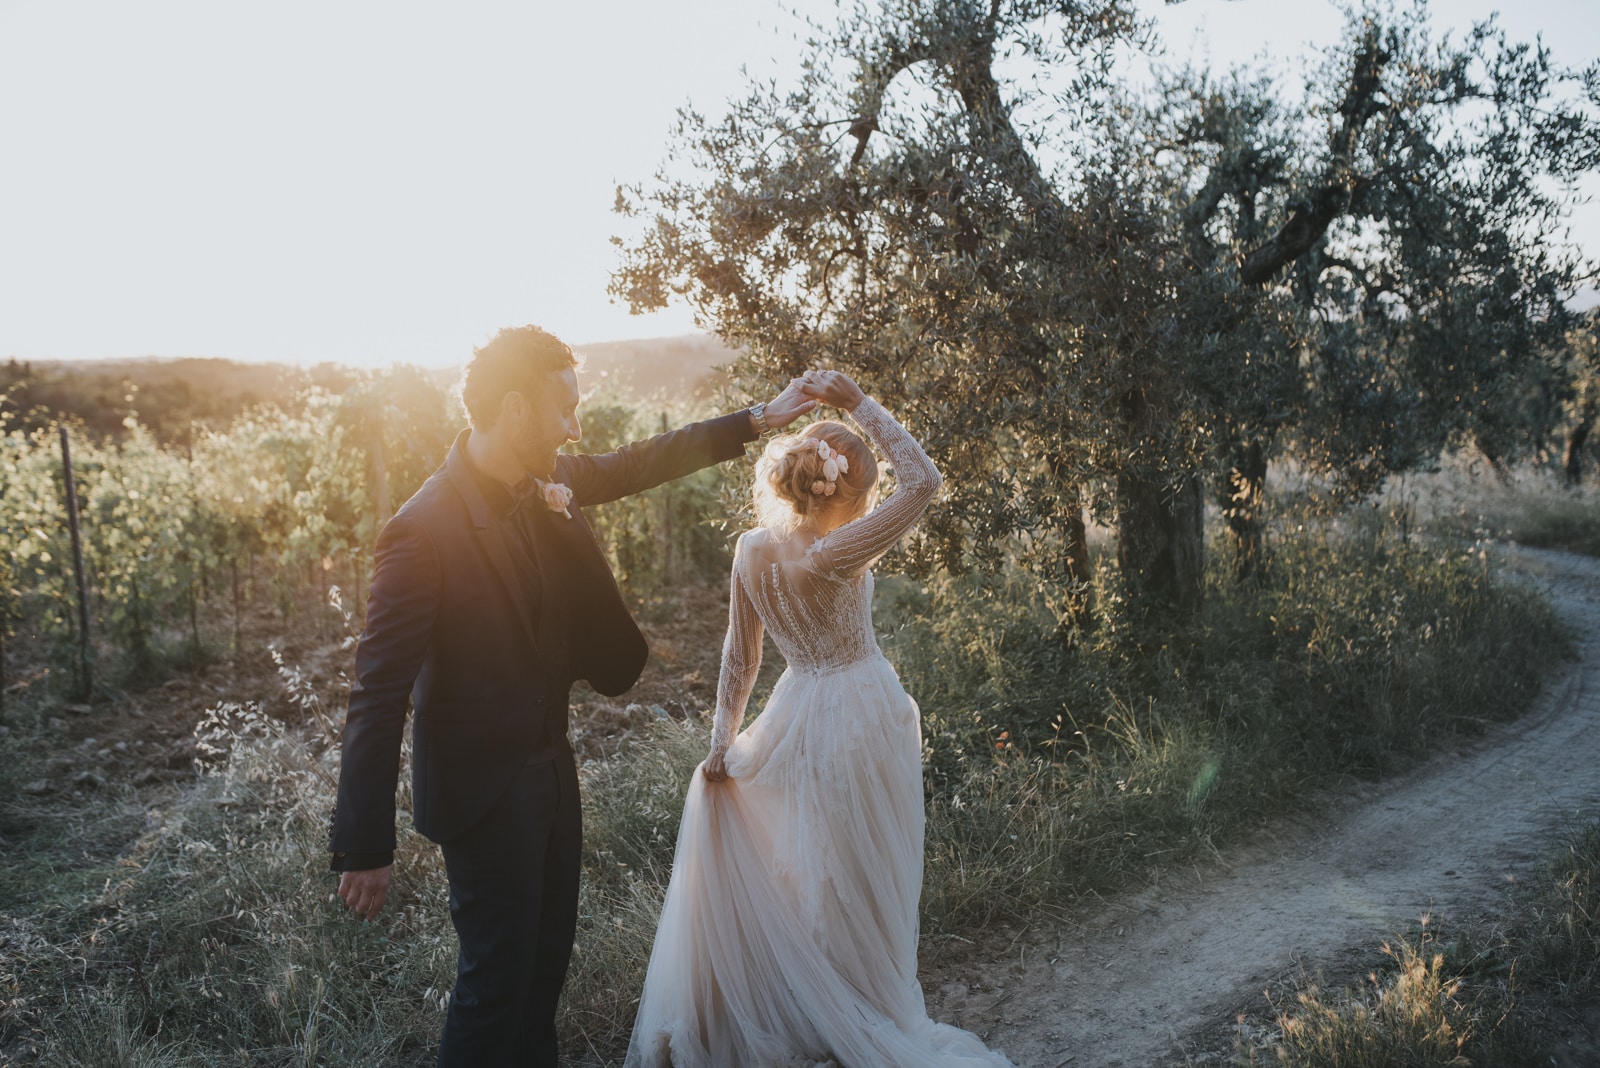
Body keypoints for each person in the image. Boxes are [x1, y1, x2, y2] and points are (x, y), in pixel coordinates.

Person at [327, 324, 818, 1067]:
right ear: (518, 408)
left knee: (544, 971)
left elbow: (641, 462)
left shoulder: (545, 483)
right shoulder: (421, 530)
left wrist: (756, 420)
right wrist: (364, 845)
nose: (576, 427)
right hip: (481, 793)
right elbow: (376, 691)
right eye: (565, 410)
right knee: (494, 987)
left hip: (553, 771)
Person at [625, 369, 1016, 1067]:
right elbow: (923, 482)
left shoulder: (750, 550)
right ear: (851, 492)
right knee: (868, 874)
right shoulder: (839, 553)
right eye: (866, 493)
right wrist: (861, 401)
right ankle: (867, 1012)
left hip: (794, 712)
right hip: (861, 714)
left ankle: (824, 1006)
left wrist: (723, 742)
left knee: (811, 870)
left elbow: (739, 659)